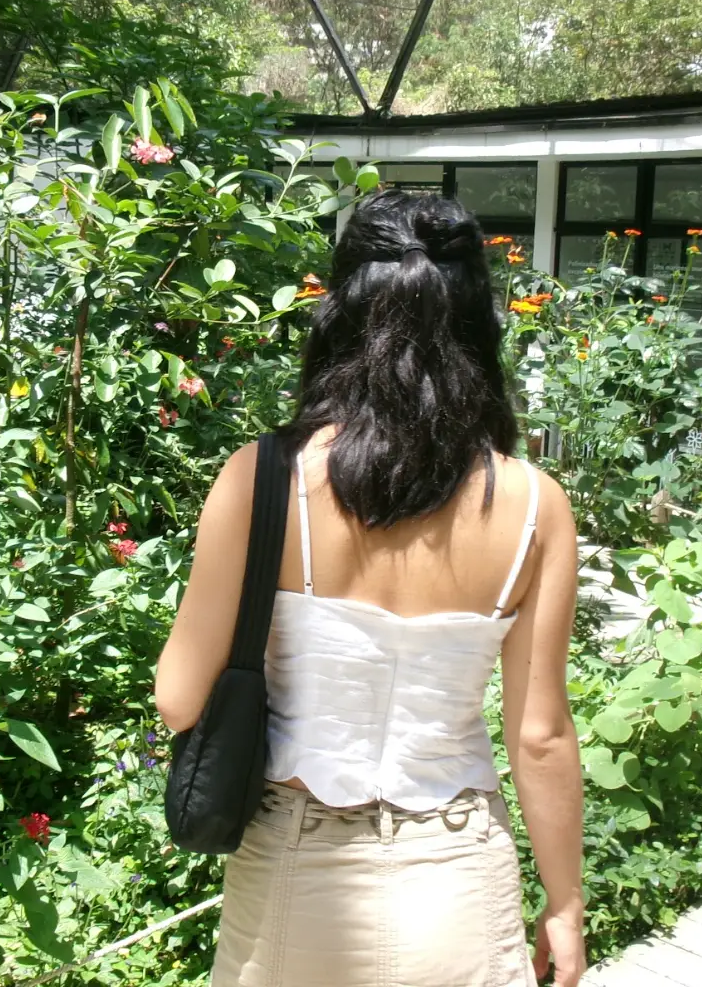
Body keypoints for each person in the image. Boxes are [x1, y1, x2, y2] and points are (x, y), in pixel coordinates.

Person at [155, 190, 586, 987]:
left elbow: (180, 701)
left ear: (342, 309)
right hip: (459, 873)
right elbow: (540, 737)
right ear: (476, 318)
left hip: (292, 875)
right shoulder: (536, 505)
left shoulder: (262, 478)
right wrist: (565, 904)